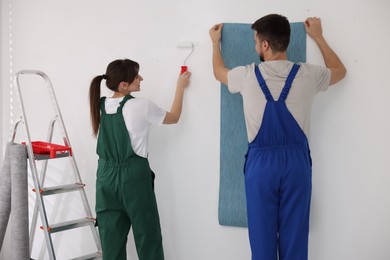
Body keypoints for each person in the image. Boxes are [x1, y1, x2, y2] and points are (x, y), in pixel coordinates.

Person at [209, 14, 346, 260]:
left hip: (261, 166)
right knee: (295, 240)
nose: (254, 46)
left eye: (255, 40)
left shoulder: (247, 75)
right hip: (296, 165)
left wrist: (214, 43)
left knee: (262, 242)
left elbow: (218, 72)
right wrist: (318, 36)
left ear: (264, 45)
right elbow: (340, 71)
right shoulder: (308, 74)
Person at [88, 59, 191, 260]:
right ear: (123, 85)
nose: (141, 78)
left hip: (104, 180)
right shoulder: (140, 105)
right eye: (136, 76)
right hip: (133, 179)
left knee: (111, 241)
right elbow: (174, 117)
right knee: (148, 238)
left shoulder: (100, 105)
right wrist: (180, 87)